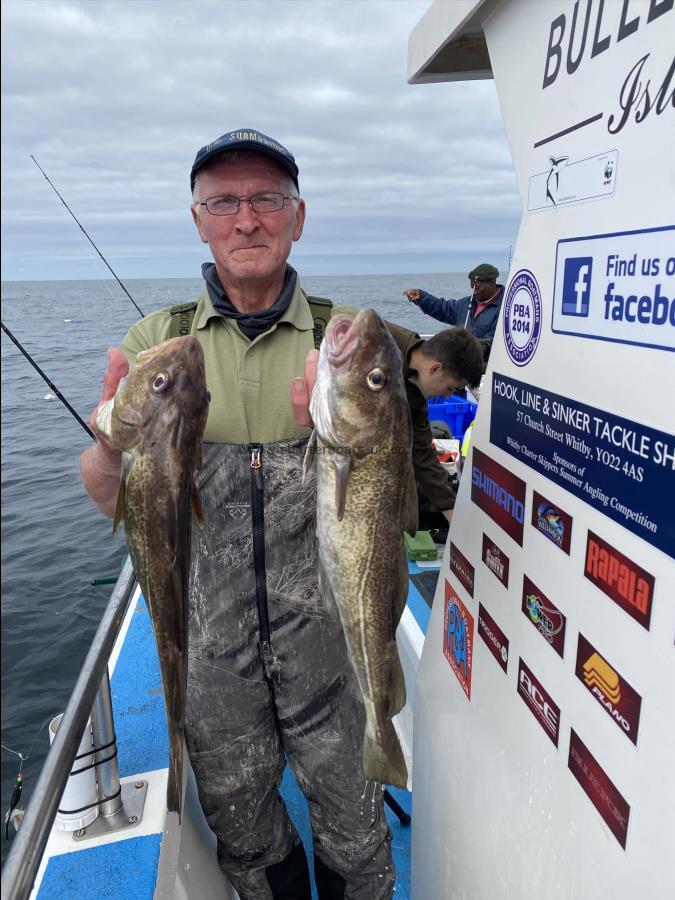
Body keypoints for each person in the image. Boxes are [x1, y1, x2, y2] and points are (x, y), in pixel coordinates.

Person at [79, 127, 482, 900]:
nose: (246, 219)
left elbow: (393, 494)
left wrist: (327, 429)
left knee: (357, 830)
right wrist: (111, 441)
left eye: (267, 199)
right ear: (198, 219)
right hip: (212, 660)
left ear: (297, 217)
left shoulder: (347, 343)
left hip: (330, 652)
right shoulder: (158, 342)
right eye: (223, 201)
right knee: (246, 831)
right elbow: (113, 500)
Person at [403, 263, 504, 363]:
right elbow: (443, 308)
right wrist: (421, 297)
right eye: (472, 286)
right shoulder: (465, 304)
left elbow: (492, 345)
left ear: (491, 282)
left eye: (477, 287)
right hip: (460, 365)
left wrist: (460, 346)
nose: (474, 290)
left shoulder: (504, 309)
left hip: (483, 369)